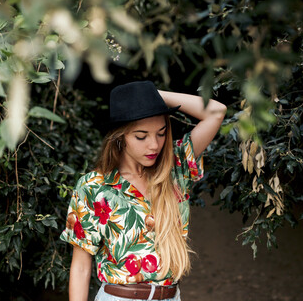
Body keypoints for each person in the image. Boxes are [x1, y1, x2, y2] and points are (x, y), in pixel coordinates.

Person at [61, 80, 226, 301]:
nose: (154, 145)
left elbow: (216, 111)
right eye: (141, 136)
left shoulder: (176, 167)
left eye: (161, 133)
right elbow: (81, 267)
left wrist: (150, 96)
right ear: (121, 137)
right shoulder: (94, 187)